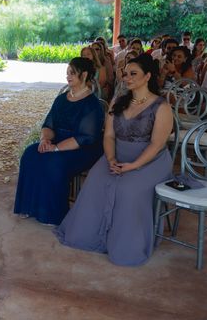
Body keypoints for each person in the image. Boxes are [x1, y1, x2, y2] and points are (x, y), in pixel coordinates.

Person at [56, 54, 173, 266]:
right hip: (116, 155)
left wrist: (134, 166)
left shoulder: (161, 106)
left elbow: (157, 145)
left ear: (148, 76)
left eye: (133, 74)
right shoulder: (118, 102)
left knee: (128, 190)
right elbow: (109, 136)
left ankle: (125, 246)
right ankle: (91, 236)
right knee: (95, 181)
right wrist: (110, 158)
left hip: (150, 161)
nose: (127, 78)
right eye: (125, 73)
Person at [14, 57, 104, 225]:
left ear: (84, 75)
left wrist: (55, 149)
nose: (68, 77)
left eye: (72, 73)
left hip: (82, 148)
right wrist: (44, 141)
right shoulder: (62, 99)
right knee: (30, 154)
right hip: (57, 142)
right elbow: (48, 124)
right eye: (67, 73)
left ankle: (53, 214)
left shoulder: (92, 104)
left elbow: (85, 138)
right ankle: (29, 206)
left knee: (54, 162)